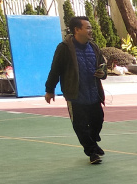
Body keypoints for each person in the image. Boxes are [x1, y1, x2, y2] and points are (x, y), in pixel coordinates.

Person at [45, 16, 108, 164]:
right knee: (80, 126)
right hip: (75, 95)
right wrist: (50, 89)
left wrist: (103, 73)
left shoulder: (94, 47)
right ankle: (92, 152)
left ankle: (93, 141)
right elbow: (55, 70)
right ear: (77, 30)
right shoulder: (64, 48)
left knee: (98, 121)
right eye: (88, 28)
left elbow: (103, 66)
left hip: (94, 94)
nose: (91, 30)